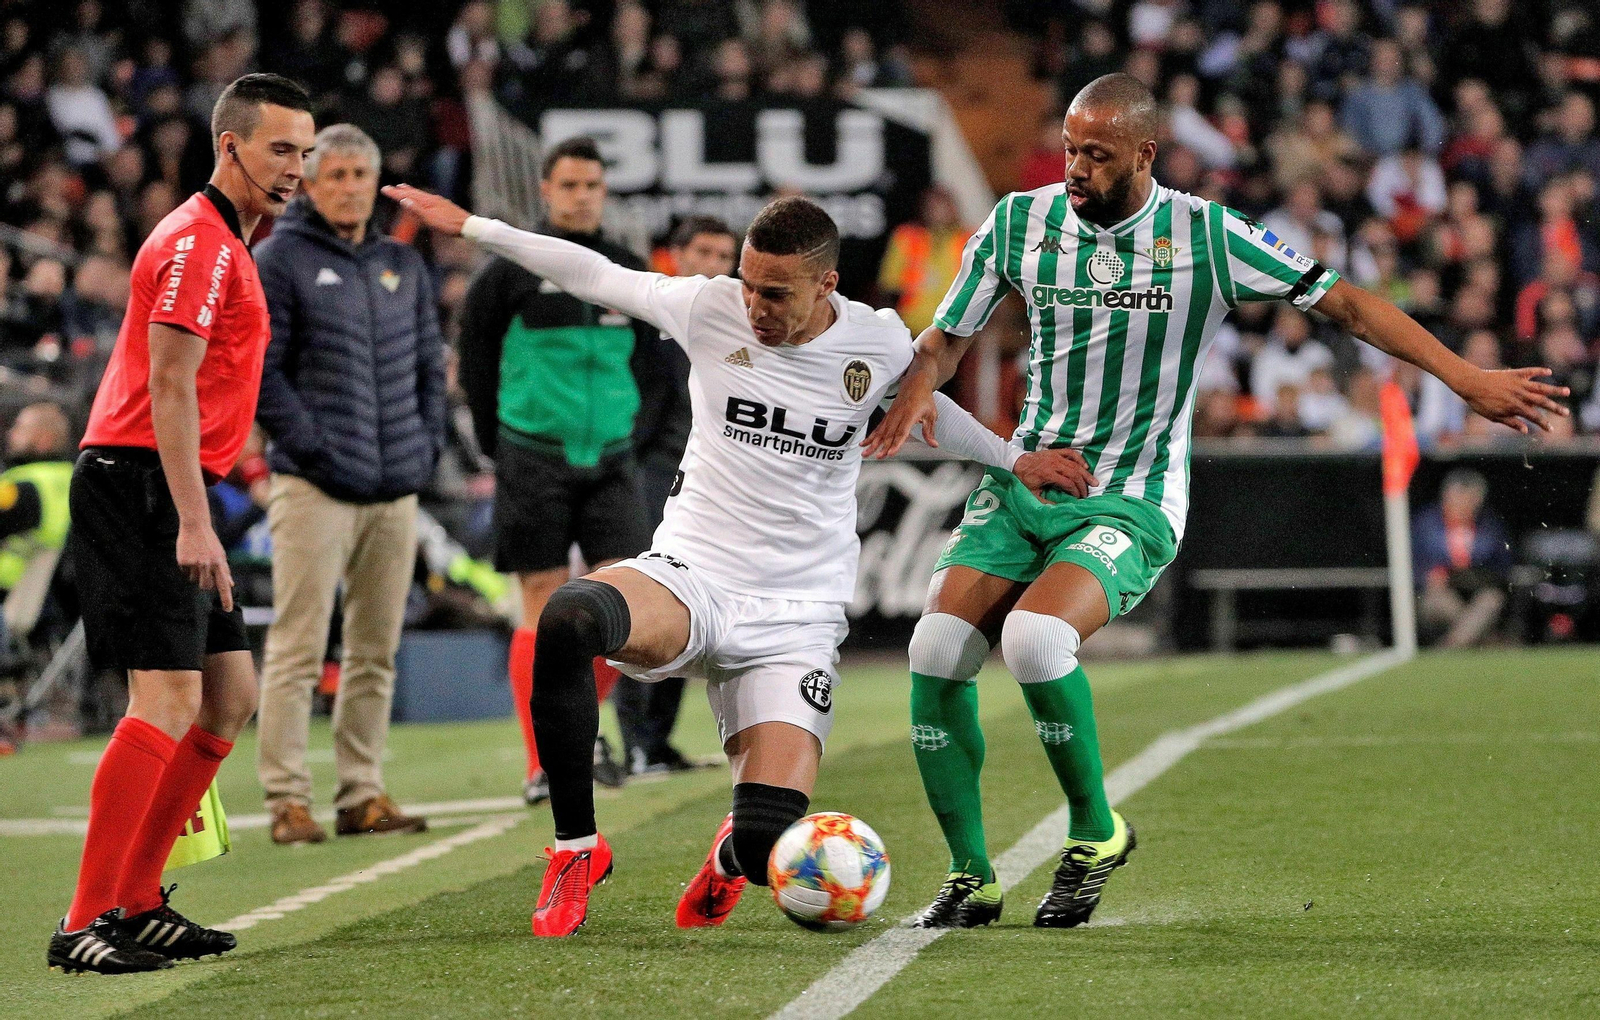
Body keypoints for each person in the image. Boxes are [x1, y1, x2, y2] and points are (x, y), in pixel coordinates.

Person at [866, 72, 1568, 931]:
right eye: (1071, 151)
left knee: (1037, 638)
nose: (1076, 170)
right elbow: (945, 337)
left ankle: (1094, 835)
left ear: (1144, 154)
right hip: (1030, 478)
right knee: (935, 647)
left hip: (1131, 493)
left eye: (1097, 155)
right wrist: (916, 383)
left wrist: (1465, 379)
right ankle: (971, 875)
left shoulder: (1203, 233)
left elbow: (1343, 302)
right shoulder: (1019, 222)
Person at [387, 181, 1097, 938]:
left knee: (769, 850)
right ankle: (575, 848)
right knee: (569, 616)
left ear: (826, 284)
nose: (755, 306)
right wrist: (476, 226)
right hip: (693, 577)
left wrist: (1011, 457)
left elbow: (927, 413)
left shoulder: (878, 342)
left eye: (776, 293)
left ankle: (732, 856)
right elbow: (593, 273)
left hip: (797, 615)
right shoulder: (710, 307)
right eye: (749, 285)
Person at [51, 73, 315, 974]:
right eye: (281, 149)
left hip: (168, 484)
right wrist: (198, 523)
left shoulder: (225, 244)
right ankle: (85, 921)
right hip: (143, 487)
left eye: (305, 153)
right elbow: (166, 387)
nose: (296, 169)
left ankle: (134, 897)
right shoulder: (201, 247)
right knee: (164, 699)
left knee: (229, 695)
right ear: (229, 145)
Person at [253, 123, 445, 846]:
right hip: (314, 489)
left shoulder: (404, 262)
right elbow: (263, 374)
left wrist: (423, 449)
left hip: (394, 486)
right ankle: (286, 800)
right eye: (333, 175)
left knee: (375, 650)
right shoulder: (280, 260)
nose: (348, 188)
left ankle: (361, 793)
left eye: (359, 176)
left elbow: (431, 365)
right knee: (300, 649)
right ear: (309, 182)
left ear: (374, 181)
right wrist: (310, 447)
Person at [456, 136, 663, 805]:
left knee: (618, 607)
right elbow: (475, 360)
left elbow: (657, 371)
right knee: (540, 599)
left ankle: (583, 731)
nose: (581, 196)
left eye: (592, 185)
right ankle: (540, 762)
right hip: (531, 453)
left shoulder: (627, 269)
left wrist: (632, 436)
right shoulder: (509, 270)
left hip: (610, 458)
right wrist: (500, 445)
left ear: (604, 192)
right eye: (569, 185)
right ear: (545, 191)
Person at [613, 214, 738, 776]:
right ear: (676, 256)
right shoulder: (650, 314)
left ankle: (657, 740)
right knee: (650, 602)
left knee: (694, 605)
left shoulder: (739, 321)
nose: (714, 266)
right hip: (650, 474)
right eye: (704, 253)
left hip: (709, 482)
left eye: (723, 256)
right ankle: (637, 742)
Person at [1413, 470, 1511, 647]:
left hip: (1477, 592)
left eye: (1469, 499)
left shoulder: (1490, 526)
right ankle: (1487, 641)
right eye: (1458, 497)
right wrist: (1430, 575)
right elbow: (1413, 562)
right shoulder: (1425, 524)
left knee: (1490, 601)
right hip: (1437, 594)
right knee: (1443, 603)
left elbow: (1502, 564)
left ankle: (1448, 648)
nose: (1462, 504)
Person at [0, 402, 74, 596]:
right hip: (47, 600)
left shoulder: (25, 485)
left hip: (8, 588)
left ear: (44, 439)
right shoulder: (70, 478)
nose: (11, 434)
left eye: (20, 428)